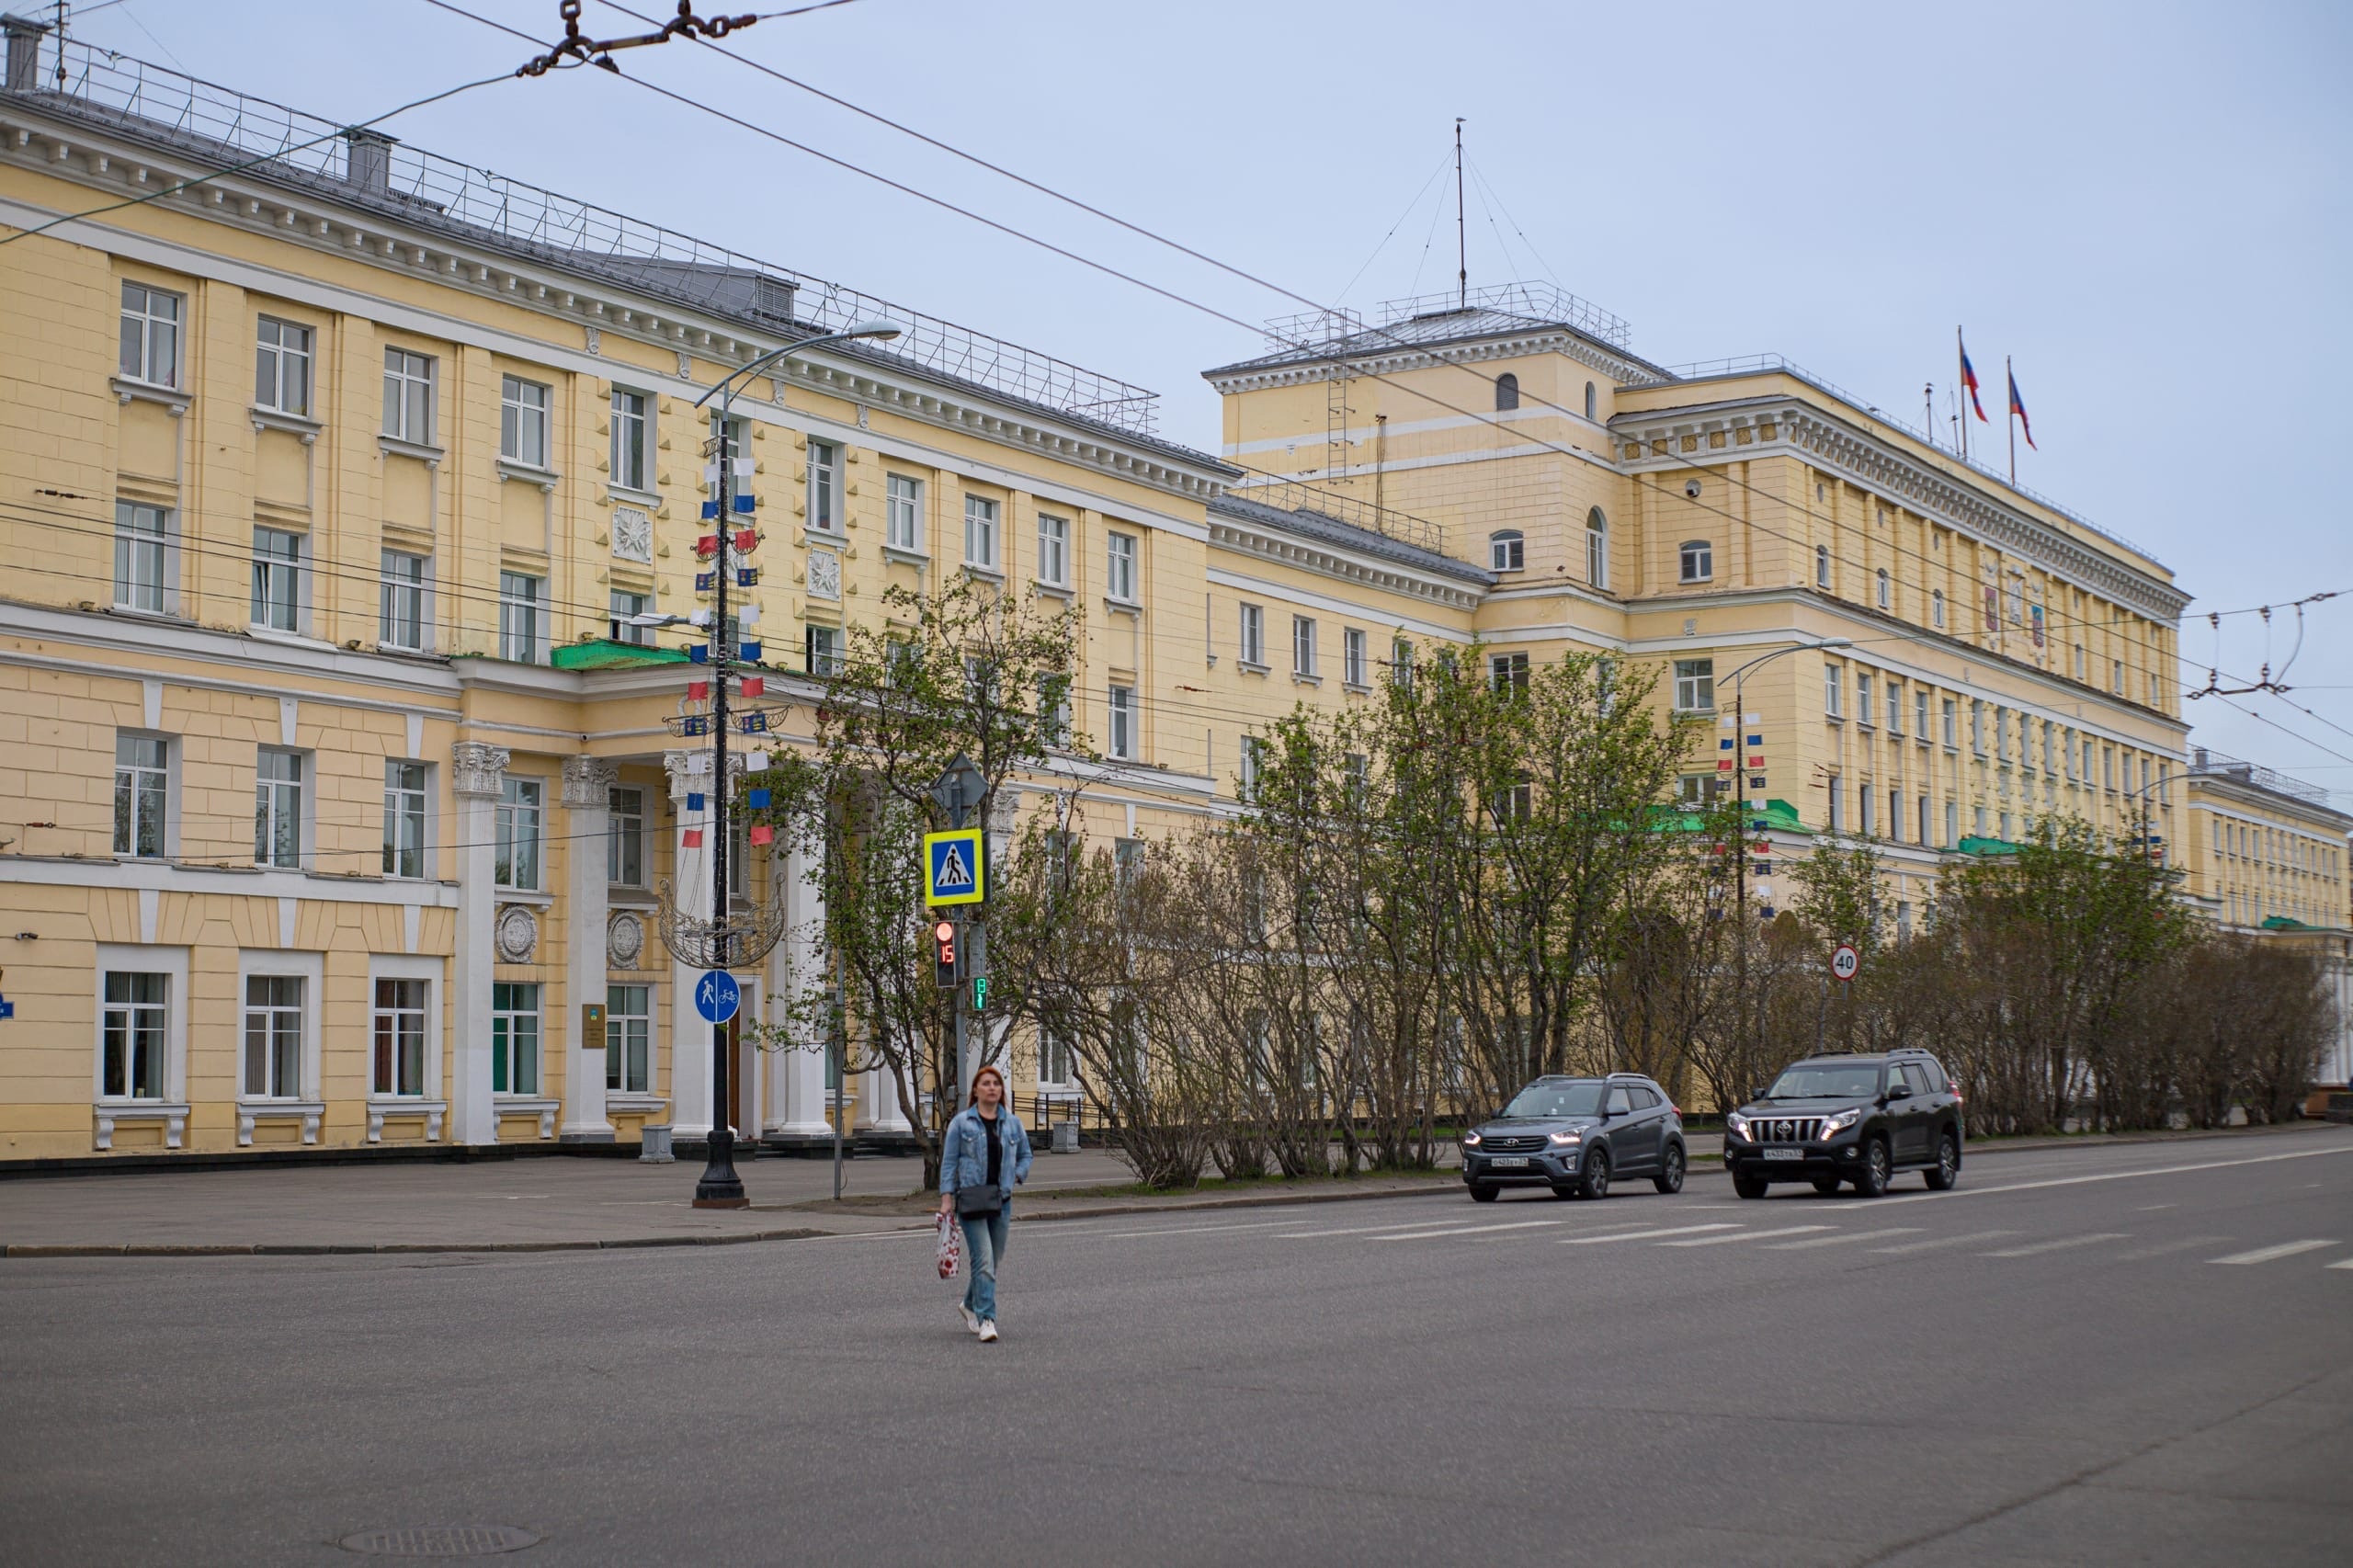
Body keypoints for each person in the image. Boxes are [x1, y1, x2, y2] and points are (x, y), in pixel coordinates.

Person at [938, 1065, 1032, 1343]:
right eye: (986, 1083)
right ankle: (986, 1319)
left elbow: (1026, 1155)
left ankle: (969, 1303)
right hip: (971, 1201)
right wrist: (946, 1199)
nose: (992, 1087)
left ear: (1001, 1091)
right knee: (984, 1261)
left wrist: (1016, 1175)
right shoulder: (962, 1123)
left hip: (1001, 1201)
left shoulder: (1012, 1123)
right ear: (976, 1090)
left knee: (992, 1261)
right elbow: (949, 1162)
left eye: (996, 1084)